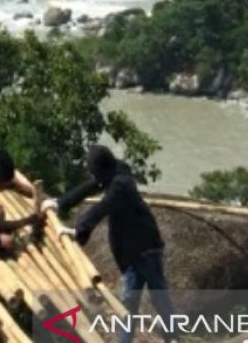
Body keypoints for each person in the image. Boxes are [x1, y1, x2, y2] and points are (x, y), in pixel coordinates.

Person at [55, 145, 176, 343]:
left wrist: (78, 230)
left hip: (146, 250)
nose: (95, 177)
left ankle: (173, 338)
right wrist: (60, 203)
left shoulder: (121, 184)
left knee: (158, 298)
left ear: (102, 169)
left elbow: (103, 207)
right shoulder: (114, 172)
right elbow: (90, 186)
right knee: (129, 304)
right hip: (131, 254)